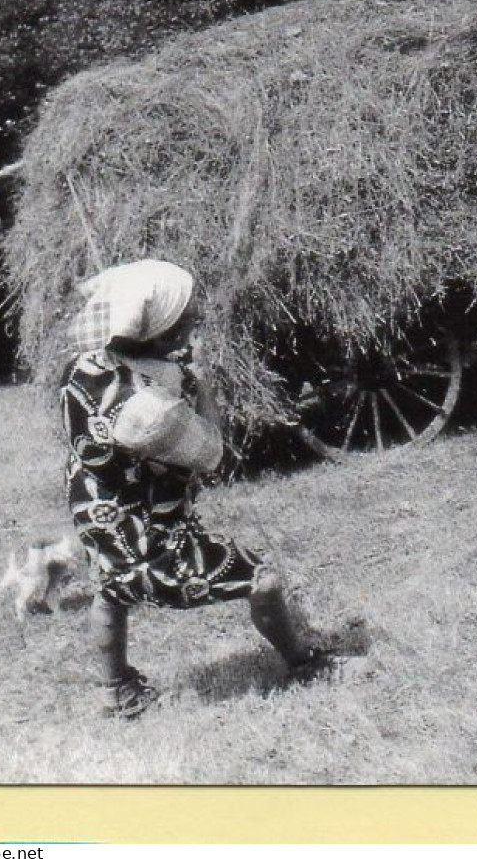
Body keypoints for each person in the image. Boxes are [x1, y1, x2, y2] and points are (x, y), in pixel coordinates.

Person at [59, 259, 336, 718]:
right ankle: (303, 664)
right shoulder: (150, 409)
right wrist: (201, 383)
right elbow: (211, 452)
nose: (193, 321)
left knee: (109, 592)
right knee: (261, 579)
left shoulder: (84, 368)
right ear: (162, 335)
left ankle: (116, 691)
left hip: (99, 516)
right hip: (152, 541)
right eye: (184, 318)